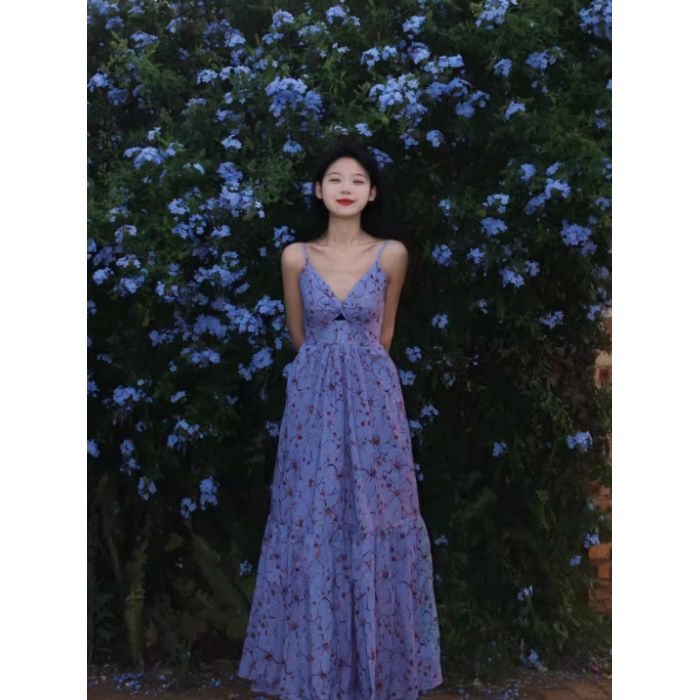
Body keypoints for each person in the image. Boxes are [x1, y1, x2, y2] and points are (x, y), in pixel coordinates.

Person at [236, 136, 443, 699]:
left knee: (377, 519)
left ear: (372, 192)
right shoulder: (296, 257)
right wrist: (328, 372)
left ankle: (377, 675)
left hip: (376, 405)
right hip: (312, 404)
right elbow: (298, 334)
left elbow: (384, 333)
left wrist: (358, 373)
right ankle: (317, 675)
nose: (346, 188)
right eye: (335, 179)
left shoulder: (391, 254)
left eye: (357, 180)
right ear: (318, 190)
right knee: (313, 519)